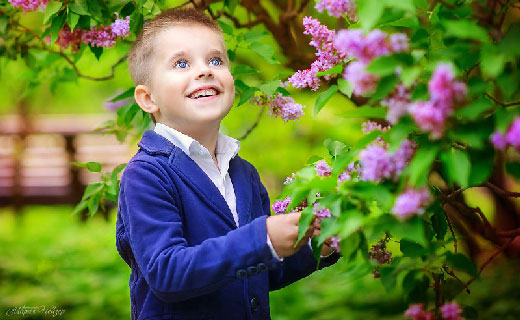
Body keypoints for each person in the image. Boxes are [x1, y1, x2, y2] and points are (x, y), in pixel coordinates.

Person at [115, 7, 341, 320]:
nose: (205, 70)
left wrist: (319, 244)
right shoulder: (147, 174)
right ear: (148, 99)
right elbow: (167, 272)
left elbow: (261, 271)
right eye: (182, 63)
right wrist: (261, 238)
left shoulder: (243, 173)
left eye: (216, 60)